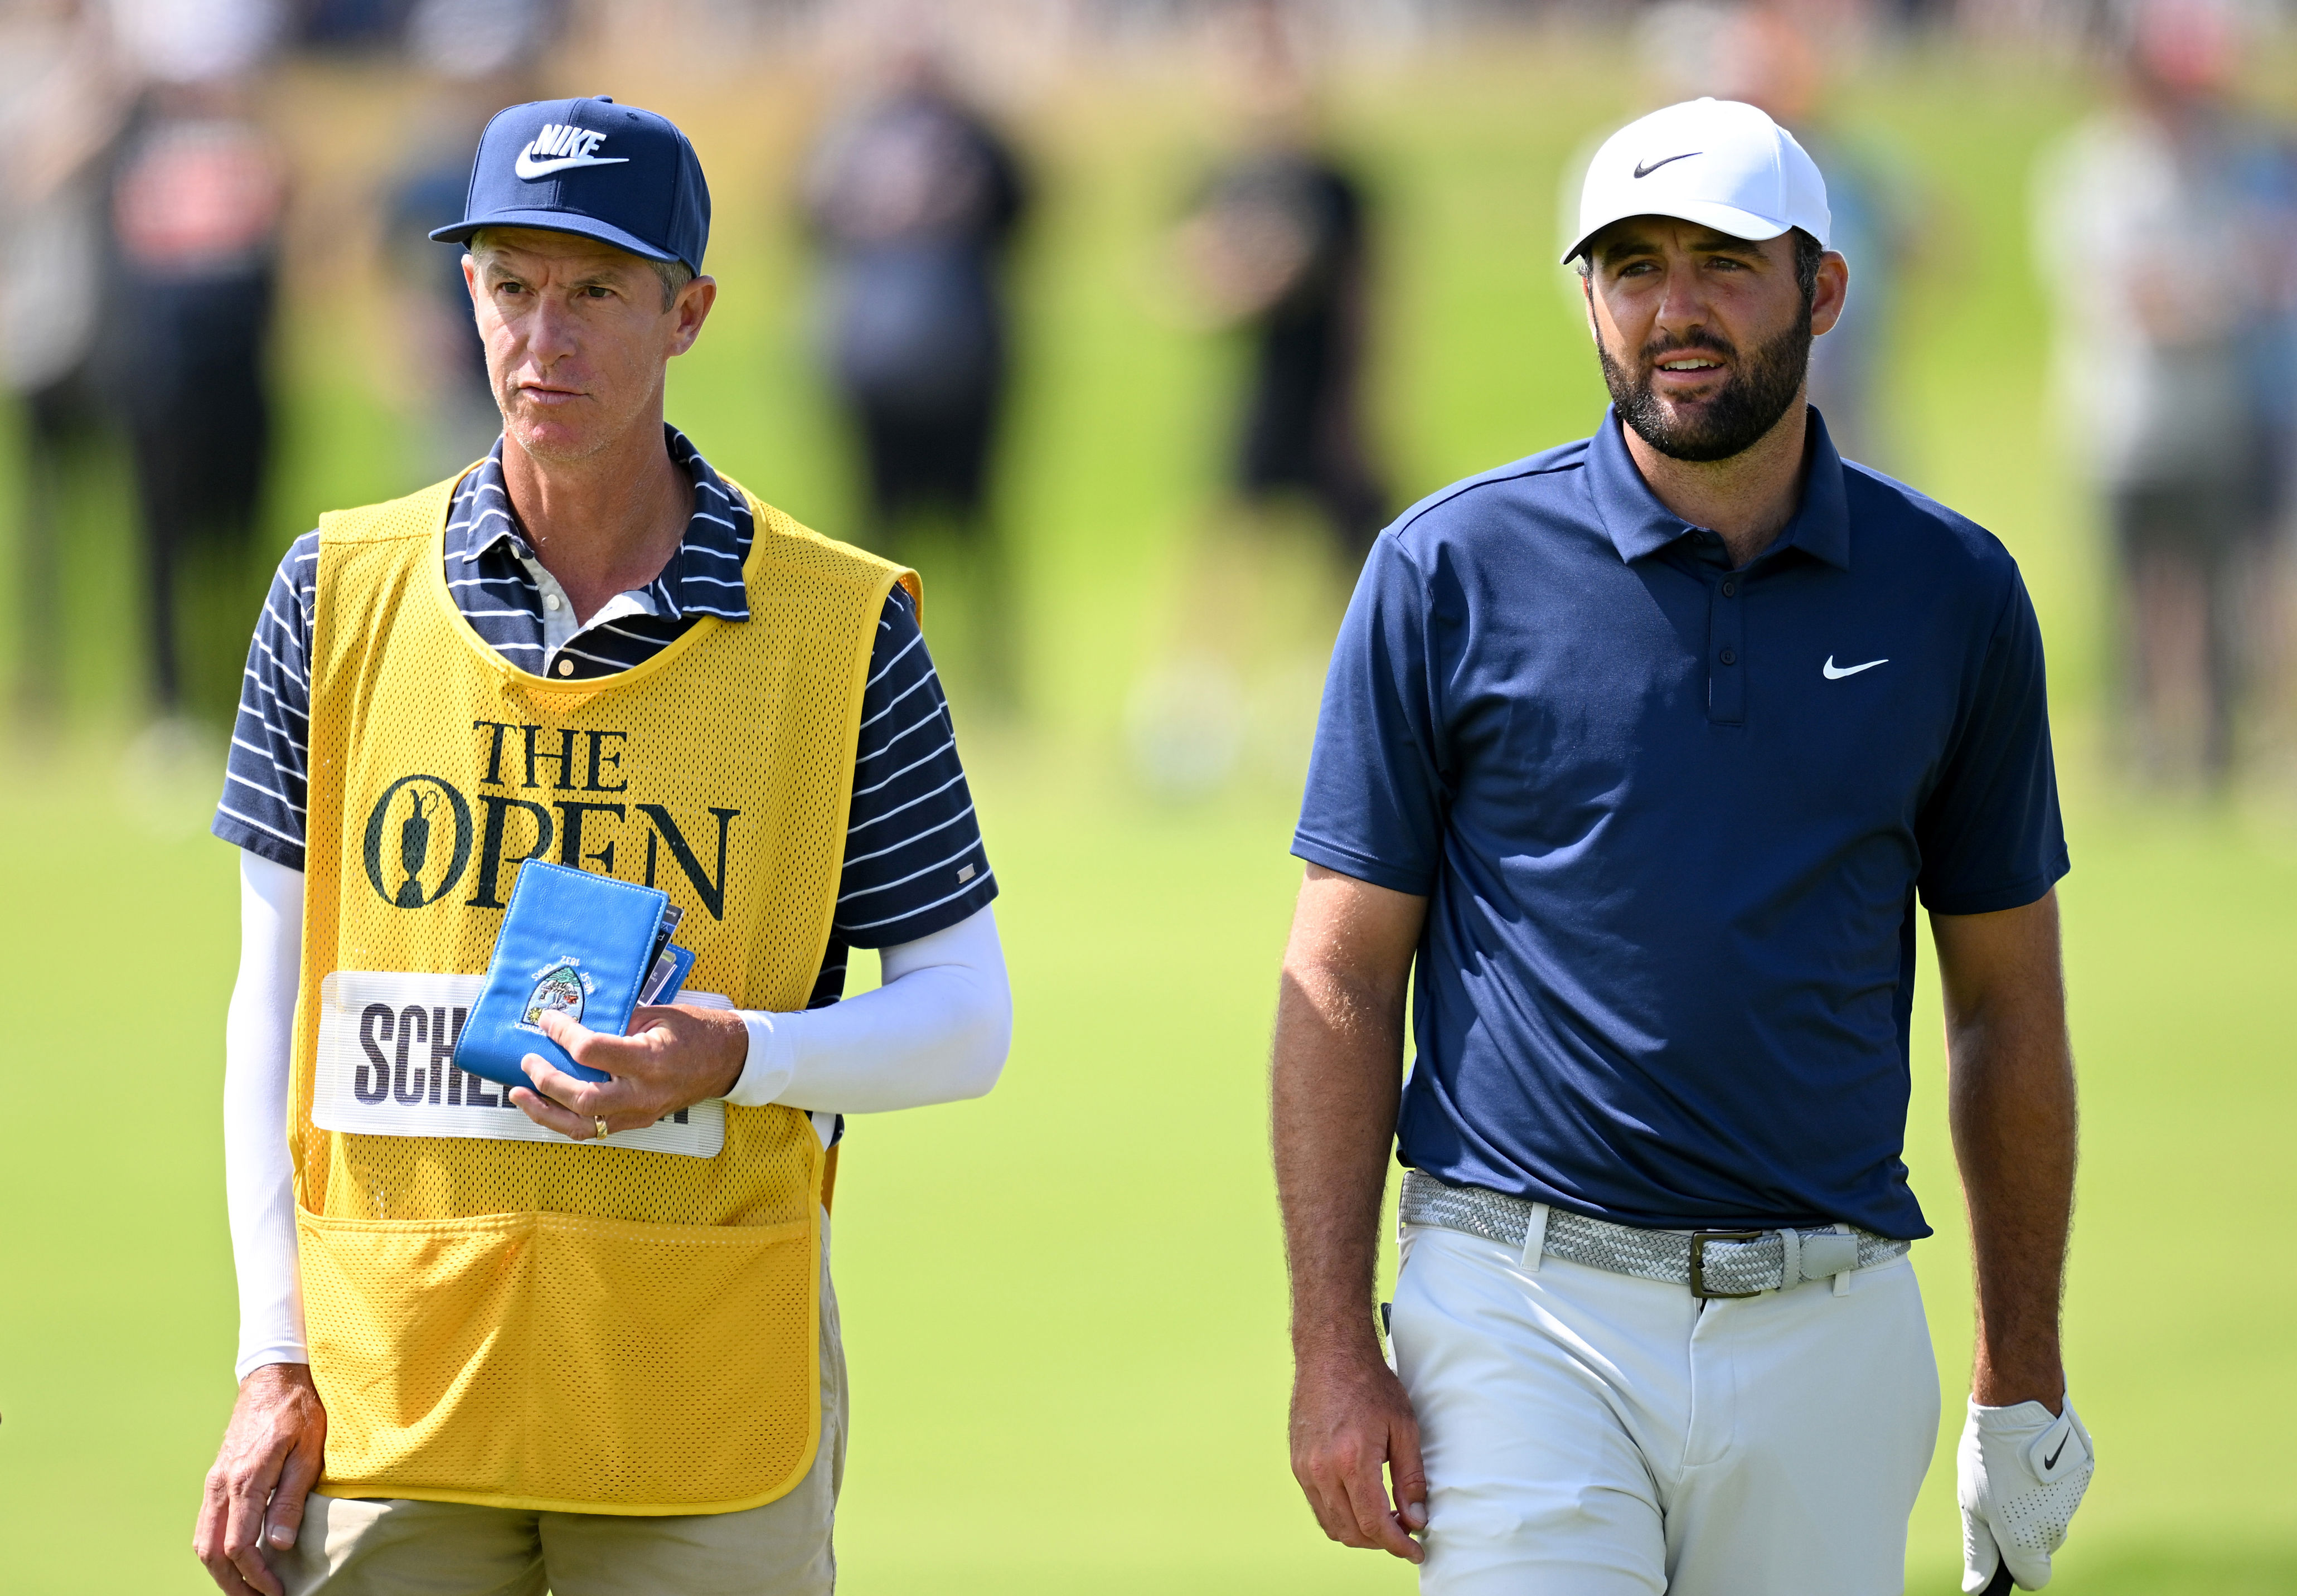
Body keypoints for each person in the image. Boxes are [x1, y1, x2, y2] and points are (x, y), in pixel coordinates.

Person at [1272, 98, 2091, 1595]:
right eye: (1632, 268)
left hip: (1831, 1326)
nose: (1676, 310)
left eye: (1722, 262)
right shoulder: (1447, 571)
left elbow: (2007, 1005)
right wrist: (1334, 1349)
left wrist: (2020, 1373)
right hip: (1518, 1313)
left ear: (1824, 290)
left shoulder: (1953, 596)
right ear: (1588, 297)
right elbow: (1338, 974)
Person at [194, 97, 1012, 1596]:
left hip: (700, 1401)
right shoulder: (333, 591)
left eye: (595, 293)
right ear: (466, 295)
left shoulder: (844, 630)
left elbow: (969, 1020)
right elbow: (274, 1008)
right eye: (510, 285)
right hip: (394, 1391)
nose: (541, 339)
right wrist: (270, 1356)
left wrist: (740, 1054)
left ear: (687, 312)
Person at [2034, 0, 2297, 784]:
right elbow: (2134, 297)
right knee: (2131, 594)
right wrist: (2218, 293)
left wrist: (2212, 292)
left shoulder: (2223, 168)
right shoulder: (2090, 169)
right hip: (2122, 421)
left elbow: (2261, 277)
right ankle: (2141, 751)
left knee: (2219, 594)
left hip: (2213, 420)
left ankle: (2214, 753)